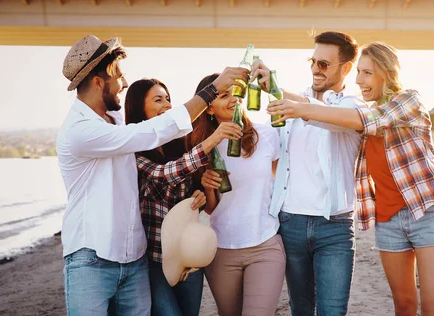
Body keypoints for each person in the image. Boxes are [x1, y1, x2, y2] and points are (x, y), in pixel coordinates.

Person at [56, 34, 248, 316]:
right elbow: (153, 136)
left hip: (134, 260)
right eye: (118, 76)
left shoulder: (117, 123)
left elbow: (161, 133)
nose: (123, 84)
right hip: (92, 259)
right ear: (99, 81)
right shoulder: (81, 131)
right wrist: (211, 92)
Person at [267, 41, 434, 316]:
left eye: (367, 73)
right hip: (389, 220)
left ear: (387, 73)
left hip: (428, 211)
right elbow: (320, 107)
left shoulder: (407, 101)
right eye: (358, 73)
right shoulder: (358, 113)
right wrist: (272, 88)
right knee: (403, 304)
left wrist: (301, 111)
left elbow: (366, 119)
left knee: (433, 306)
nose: (359, 81)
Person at [249, 31, 364, 315]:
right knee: (299, 308)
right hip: (290, 224)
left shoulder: (352, 106)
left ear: (346, 68)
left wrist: (292, 102)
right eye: (312, 61)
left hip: (334, 227)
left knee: (333, 310)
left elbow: (328, 115)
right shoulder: (292, 105)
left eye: (324, 64)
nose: (315, 68)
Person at [124, 78, 242, 316]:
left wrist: (199, 193)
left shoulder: (182, 145)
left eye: (168, 98)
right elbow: (164, 175)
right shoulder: (132, 152)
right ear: (140, 109)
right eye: (158, 99)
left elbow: (197, 197)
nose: (167, 105)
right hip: (154, 260)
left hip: (189, 254)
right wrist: (214, 139)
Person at [193, 73, 286, 316]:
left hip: (265, 244)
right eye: (224, 96)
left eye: (236, 93)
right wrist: (208, 186)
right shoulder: (203, 147)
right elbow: (211, 209)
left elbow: (280, 183)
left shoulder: (266, 135)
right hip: (221, 248)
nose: (234, 99)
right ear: (208, 107)